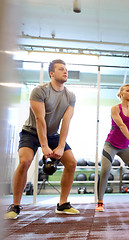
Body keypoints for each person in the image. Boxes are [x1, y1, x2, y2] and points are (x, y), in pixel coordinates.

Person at [4, 59, 79, 220]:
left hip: (53, 134)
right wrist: (44, 147)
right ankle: (15, 205)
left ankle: (62, 204)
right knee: (25, 161)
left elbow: (66, 122)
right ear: (51, 73)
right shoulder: (39, 91)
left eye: (66, 69)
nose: (65, 71)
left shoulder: (70, 96)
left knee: (72, 162)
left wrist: (60, 146)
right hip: (31, 132)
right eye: (61, 69)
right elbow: (40, 120)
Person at [95, 84, 129, 212]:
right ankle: (100, 202)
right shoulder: (115, 109)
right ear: (121, 93)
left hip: (124, 147)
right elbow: (122, 126)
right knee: (106, 170)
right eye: (128, 91)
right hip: (110, 145)